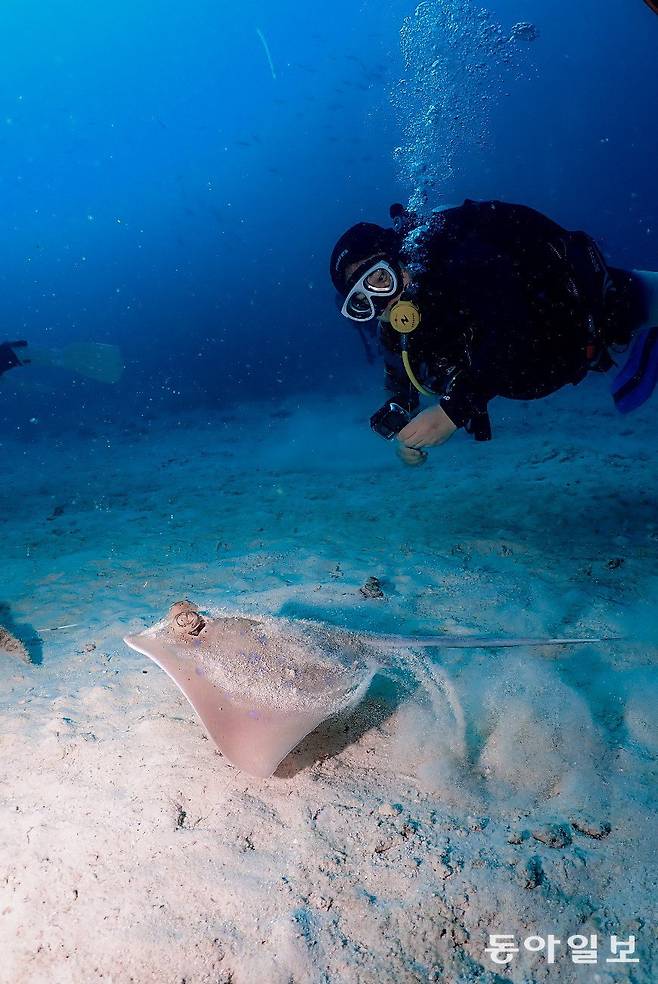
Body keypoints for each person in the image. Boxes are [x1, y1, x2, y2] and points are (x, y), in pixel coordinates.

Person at [330, 200, 658, 465]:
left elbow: (511, 327)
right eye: (362, 301)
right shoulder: (395, 329)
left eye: (379, 280)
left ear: (400, 260)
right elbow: (403, 382)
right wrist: (407, 436)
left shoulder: (461, 265)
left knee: (641, 305)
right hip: (565, 358)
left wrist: (450, 413)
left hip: (595, 308)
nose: (381, 301)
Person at [0, 338, 124, 384]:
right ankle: (109, 362)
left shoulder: (8, 349)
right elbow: (22, 343)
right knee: (58, 357)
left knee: (59, 358)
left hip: (21, 355)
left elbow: (22, 343)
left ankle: (108, 362)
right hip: (21, 355)